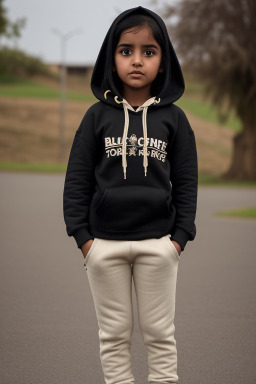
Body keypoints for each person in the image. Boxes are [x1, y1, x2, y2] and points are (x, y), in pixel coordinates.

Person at [63, 5, 198, 384]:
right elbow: (76, 180)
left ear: (163, 61)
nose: (137, 61)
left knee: (159, 335)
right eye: (126, 51)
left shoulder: (174, 119)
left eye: (148, 52)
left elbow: (187, 181)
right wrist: (84, 239)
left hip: (159, 244)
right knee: (114, 336)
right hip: (104, 246)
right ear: (112, 57)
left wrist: (179, 239)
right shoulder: (96, 117)